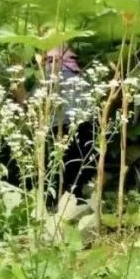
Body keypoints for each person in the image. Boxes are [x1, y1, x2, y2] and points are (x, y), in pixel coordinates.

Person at [43, 47, 94, 197]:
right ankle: (75, 194)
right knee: (77, 161)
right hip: (82, 120)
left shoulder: (52, 66)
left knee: (60, 162)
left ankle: (59, 197)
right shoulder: (75, 70)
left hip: (60, 123)